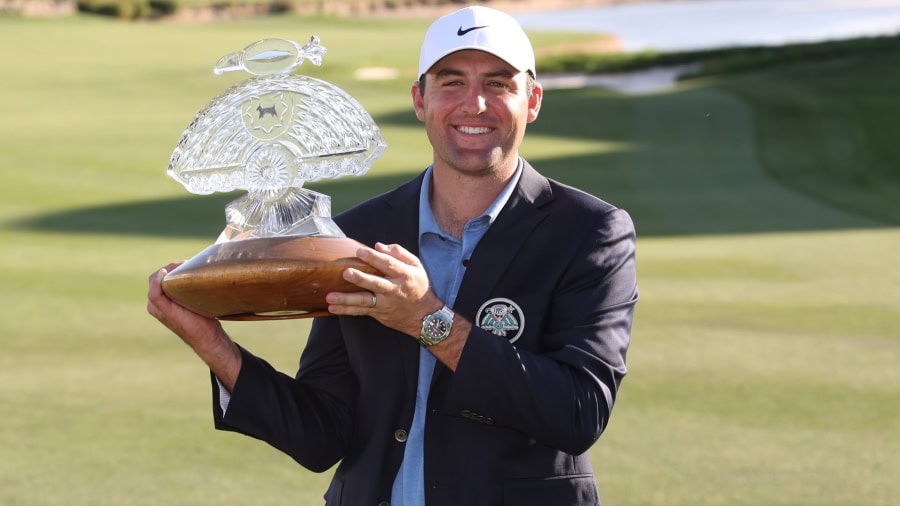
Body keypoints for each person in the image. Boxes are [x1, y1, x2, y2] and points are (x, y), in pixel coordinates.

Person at [147, 5, 638, 506]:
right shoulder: (357, 234)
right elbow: (323, 435)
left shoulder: (589, 232)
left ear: (531, 100)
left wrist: (429, 321)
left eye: (498, 84)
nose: (474, 104)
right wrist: (213, 344)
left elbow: (579, 412)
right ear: (419, 100)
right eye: (451, 82)